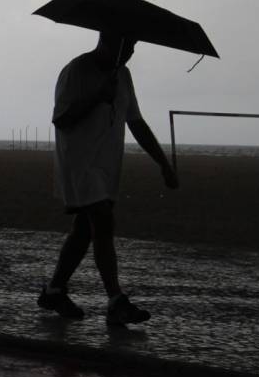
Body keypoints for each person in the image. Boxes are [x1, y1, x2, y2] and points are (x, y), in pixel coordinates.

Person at [39, 32, 178, 325]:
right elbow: (61, 118)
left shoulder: (123, 75)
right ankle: (116, 300)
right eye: (124, 45)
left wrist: (163, 163)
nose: (129, 52)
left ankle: (54, 290)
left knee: (83, 230)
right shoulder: (76, 70)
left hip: (106, 164)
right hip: (80, 162)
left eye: (133, 46)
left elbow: (135, 121)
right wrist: (97, 96)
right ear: (105, 40)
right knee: (102, 221)